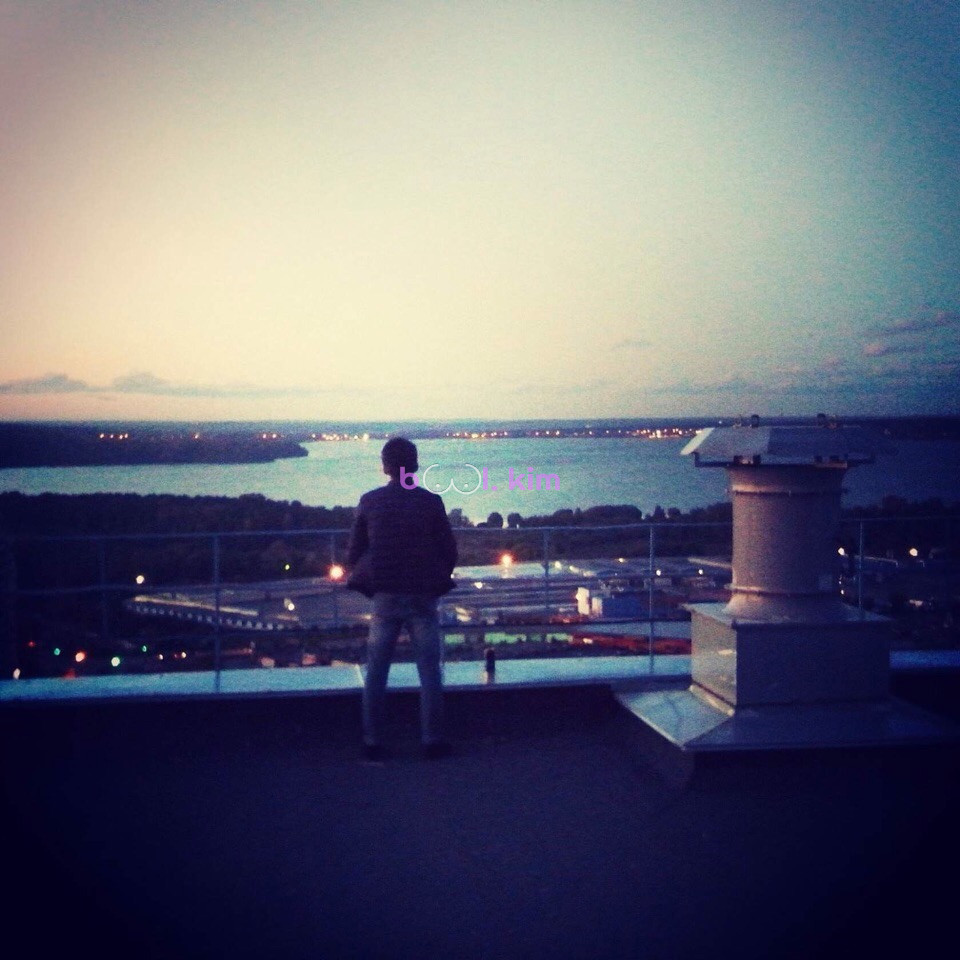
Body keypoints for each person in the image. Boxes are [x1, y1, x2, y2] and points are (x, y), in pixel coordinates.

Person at [346, 437, 458, 761]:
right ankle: (432, 740)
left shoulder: (369, 501)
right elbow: (449, 551)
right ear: (415, 465)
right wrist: (435, 577)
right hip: (422, 596)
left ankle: (372, 741)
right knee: (430, 671)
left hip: (384, 596)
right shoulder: (431, 502)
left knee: (376, 671)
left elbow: (354, 553)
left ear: (385, 467)